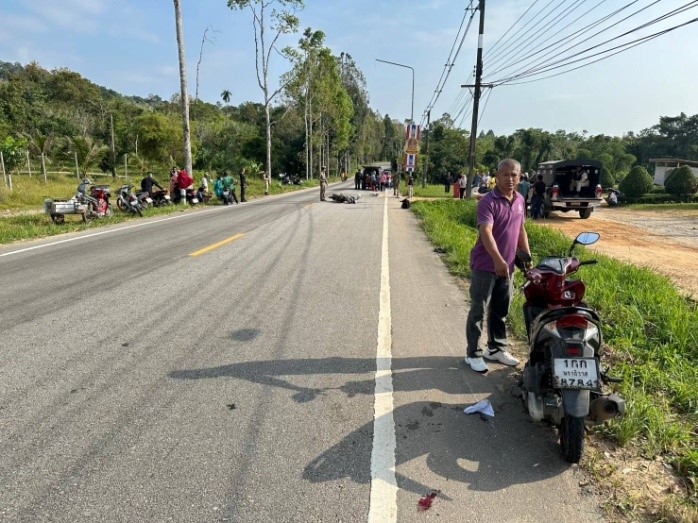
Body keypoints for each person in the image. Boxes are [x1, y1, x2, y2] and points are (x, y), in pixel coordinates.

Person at [465, 158, 530, 373]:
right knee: (478, 310)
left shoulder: (520, 200)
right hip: (486, 265)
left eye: (514, 175)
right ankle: (473, 353)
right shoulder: (488, 201)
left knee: (501, 310)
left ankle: (496, 349)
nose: (510, 179)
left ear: (519, 177)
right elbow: (486, 232)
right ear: (497, 176)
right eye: (505, 174)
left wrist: (527, 257)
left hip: (508, 266)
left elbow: (521, 230)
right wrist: (497, 260)